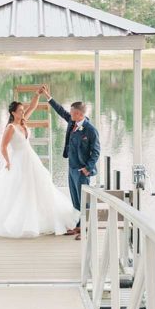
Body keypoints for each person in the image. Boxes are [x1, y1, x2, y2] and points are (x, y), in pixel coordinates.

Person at [0, 91, 78, 238]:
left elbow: (32, 107)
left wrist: (38, 95)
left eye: (23, 110)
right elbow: (3, 147)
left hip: (31, 159)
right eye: (20, 111)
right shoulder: (10, 128)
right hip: (18, 161)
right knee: (20, 190)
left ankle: (43, 218)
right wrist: (7, 162)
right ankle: (19, 222)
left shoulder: (24, 122)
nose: (23, 112)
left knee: (39, 186)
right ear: (13, 113)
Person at [39, 84, 100, 240]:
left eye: (72, 112)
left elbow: (96, 152)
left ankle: (85, 229)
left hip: (82, 171)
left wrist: (88, 168)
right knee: (75, 200)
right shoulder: (72, 122)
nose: (70, 114)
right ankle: (78, 226)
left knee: (84, 200)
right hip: (71, 168)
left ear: (79, 114)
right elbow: (60, 111)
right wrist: (48, 96)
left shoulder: (90, 130)